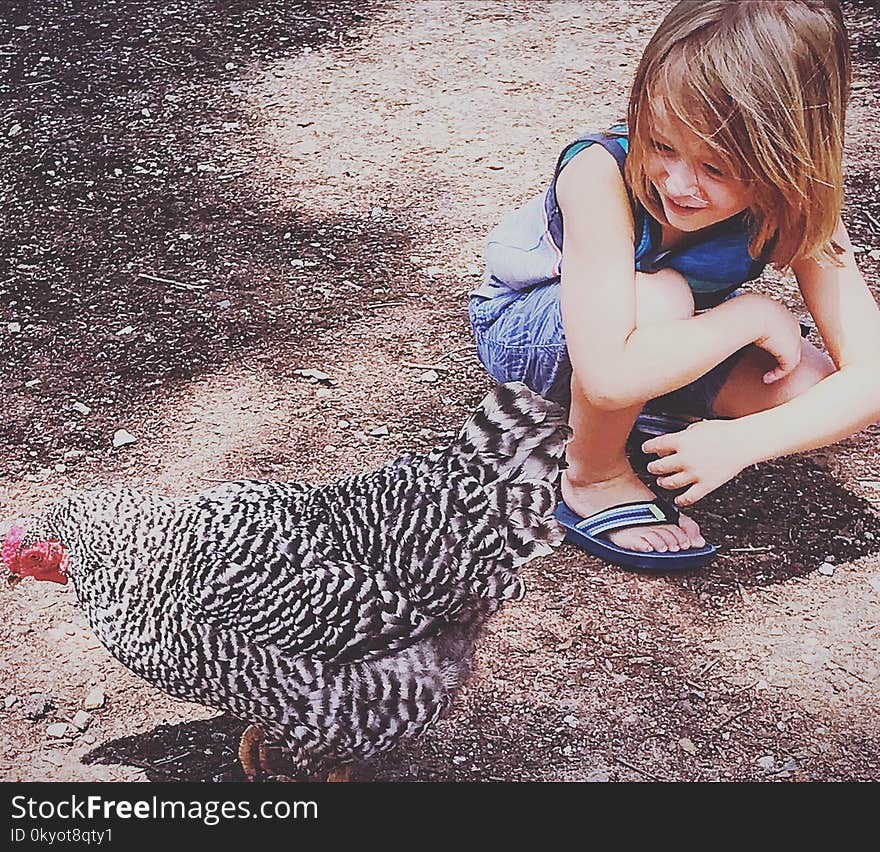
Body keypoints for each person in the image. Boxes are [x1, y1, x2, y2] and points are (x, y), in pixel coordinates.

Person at [468, 0, 880, 570]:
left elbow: (872, 374)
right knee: (659, 295)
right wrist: (751, 315)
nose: (679, 184)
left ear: (789, 160)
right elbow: (610, 375)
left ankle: (646, 414)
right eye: (662, 146)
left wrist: (742, 443)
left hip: (659, 337)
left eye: (717, 169)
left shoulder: (798, 198)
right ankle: (592, 475)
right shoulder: (599, 172)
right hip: (534, 334)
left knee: (812, 386)